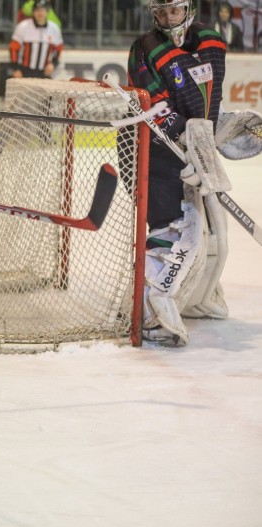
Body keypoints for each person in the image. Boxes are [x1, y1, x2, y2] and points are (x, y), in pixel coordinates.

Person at [128, 0, 228, 346]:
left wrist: (214, 131)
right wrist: (186, 135)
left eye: (173, 10)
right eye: (159, 12)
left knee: (212, 229)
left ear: (189, 8)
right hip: (152, 148)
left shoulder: (212, 41)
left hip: (194, 148)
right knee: (171, 227)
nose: (167, 19)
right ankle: (149, 314)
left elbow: (210, 100)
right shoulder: (145, 48)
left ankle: (197, 298)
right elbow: (152, 105)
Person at [9, 0, 63, 79]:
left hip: (44, 73)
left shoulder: (54, 28)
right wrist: (16, 68)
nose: (40, 13)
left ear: (47, 12)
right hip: (24, 71)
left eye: (43, 10)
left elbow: (59, 49)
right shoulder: (23, 27)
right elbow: (13, 48)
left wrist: (53, 64)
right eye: (37, 10)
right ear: (33, 12)